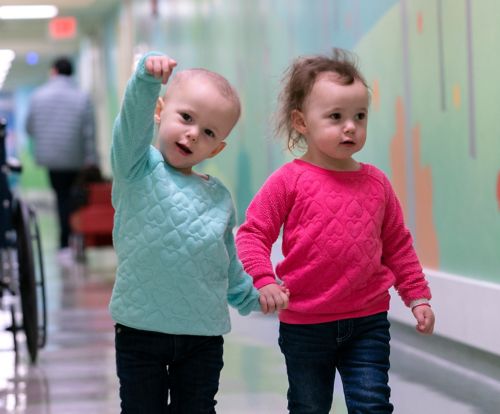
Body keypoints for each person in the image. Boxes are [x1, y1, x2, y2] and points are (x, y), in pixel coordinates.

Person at [235, 48, 435, 413]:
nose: (350, 126)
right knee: (309, 406)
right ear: (301, 122)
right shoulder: (288, 181)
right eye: (336, 116)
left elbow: (398, 245)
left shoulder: (377, 184)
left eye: (360, 116)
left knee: (372, 404)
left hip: (368, 320)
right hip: (306, 323)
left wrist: (417, 295)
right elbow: (252, 234)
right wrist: (263, 279)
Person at [109, 51, 289, 414]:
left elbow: (226, 264)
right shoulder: (137, 169)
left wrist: (254, 296)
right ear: (160, 112)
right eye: (186, 118)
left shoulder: (218, 197)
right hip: (140, 331)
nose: (193, 134)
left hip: (202, 338)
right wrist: (145, 79)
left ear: (217, 146)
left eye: (208, 132)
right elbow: (130, 125)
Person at [26, 56, 97, 263]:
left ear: (54, 71)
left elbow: (29, 127)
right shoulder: (82, 97)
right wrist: (92, 158)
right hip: (76, 158)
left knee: (61, 198)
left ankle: (65, 243)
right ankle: (77, 240)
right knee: (76, 199)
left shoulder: (38, 96)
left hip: (52, 159)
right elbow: (89, 133)